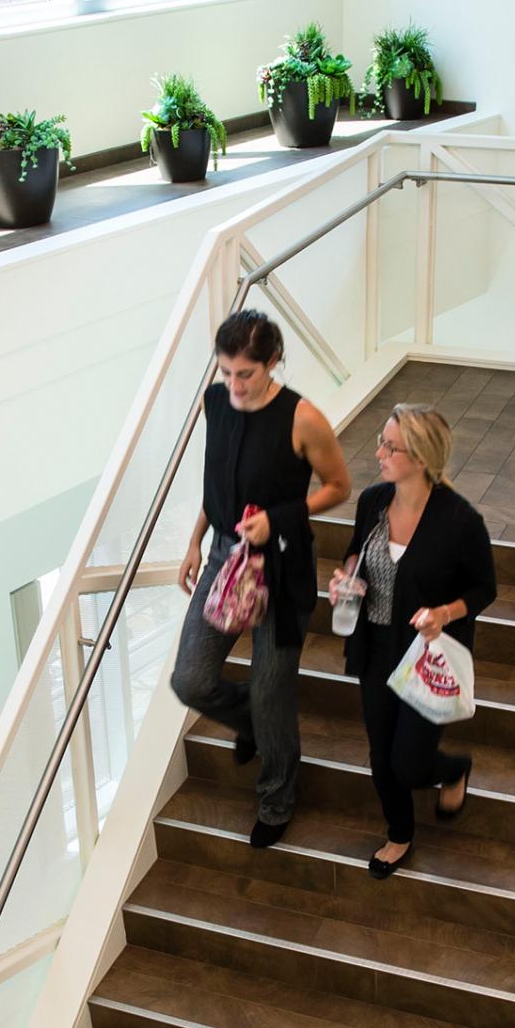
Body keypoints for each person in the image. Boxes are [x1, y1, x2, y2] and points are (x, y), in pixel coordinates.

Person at [171, 309, 351, 848]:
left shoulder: (303, 418)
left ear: (273, 361)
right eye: (226, 373)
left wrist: (281, 515)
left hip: (282, 564)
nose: (234, 385)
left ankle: (277, 799)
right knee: (191, 680)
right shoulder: (215, 402)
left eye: (244, 374)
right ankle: (254, 722)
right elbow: (215, 481)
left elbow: (339, 485)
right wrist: (194, 540)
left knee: (274, 693)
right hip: (227, 556)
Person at [330, 405, 496, 879]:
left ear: (421, 458)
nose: (378, 451)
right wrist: (344, 578)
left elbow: (484, 589)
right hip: (373, 648)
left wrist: (444, 614)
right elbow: (355, 550)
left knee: (408, 762)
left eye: (390, 446)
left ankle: (454, 766)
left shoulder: (461, 521)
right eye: (382, 442)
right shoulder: (372, 501)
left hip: (425, 656)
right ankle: (399, 833)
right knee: (381, 758)